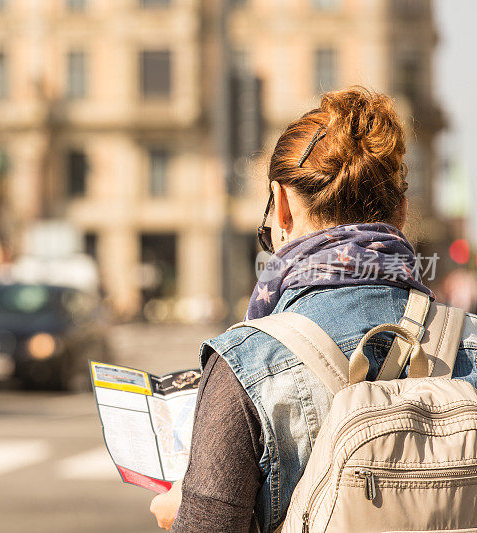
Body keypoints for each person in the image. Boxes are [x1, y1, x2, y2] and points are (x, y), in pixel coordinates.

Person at [150, 86, 477, 532]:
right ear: (400, 212)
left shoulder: (245, 365)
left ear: (281, 205)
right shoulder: (471, 341)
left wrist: (176, 515)